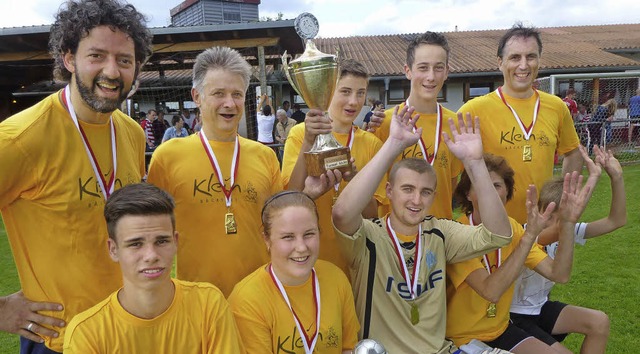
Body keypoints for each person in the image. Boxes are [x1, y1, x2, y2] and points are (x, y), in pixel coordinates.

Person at [0, 0, 152, 352]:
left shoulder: (132, 134)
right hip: (59, 341)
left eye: (124, 60)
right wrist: (2, 310)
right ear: (69, 59)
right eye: (97, 55)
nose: (112, 71)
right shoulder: (21, 139)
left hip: (130, 330)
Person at [332, 106, 514, 353]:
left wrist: (475, 163)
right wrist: (393, 144)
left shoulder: (439, 232)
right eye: (407, 189)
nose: (416, 200)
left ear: (434, 196)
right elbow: (342, 213)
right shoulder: (369, 236)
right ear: (389, 191)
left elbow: (499, 234)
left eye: (425, 192)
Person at [147, 46, 283, 297]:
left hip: (258, 301)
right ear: (197, 96)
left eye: (237, 94)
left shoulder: (265, 156)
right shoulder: (168, 157)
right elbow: (151, 235)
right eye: (218, 93)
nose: (229, 103)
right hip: (196, 303)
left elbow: (278, 226)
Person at [446, 147, 597, 353]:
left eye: (497, 185)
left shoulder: (513, 229)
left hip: (500, 329)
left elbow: (558, 274)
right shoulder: (457, 233)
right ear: (468, 193)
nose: (489, 192)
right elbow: (491, 291)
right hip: (462, 337)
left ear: (507, 192)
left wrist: (568, 224)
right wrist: (527, 239)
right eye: (481, 185)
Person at [63, 183, 244, 353]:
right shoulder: (87, 332)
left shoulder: (208, 305)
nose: (151, 255)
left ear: (176, 242)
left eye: (161, 241)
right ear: (113, 250)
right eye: (135, 244)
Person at [457, 23, 583, 224]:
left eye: (530, 57)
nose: (523, 65)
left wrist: (564, 193)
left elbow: (573, 152)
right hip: (493, 228)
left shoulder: (556, 107)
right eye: (515, 57)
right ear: (500, 62)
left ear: (539, 61)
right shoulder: (473, 111)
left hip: (542, 226)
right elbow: (448, 170)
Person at [510, 145, 624, 354]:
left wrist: (615, 177)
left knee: (599, 322)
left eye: (559, 217)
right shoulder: (525, 237)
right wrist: (593, 178)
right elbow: (559, 274)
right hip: (513, 317)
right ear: (537, 209)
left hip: (540, 309)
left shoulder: (568, 230)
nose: (551, 222)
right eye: (549, 214)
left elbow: (616, 220)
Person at [282, 58, 387, 274]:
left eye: (360, 93)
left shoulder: (371, 144)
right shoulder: (300, 135)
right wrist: (309, 143)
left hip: (356, 261)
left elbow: (373, 217)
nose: (354, 101)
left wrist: (357, 182)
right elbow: (288, 199)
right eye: (345, 91)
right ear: (329, 91)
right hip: (311, 258)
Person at [228, 191, 359, 353]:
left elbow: (348, 347)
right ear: (267, 240)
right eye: (288, 237)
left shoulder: (336, 278)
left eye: (309, 234)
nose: (301, 247)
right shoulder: (247, 299)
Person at [373, 31, 463, 220]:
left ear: (447, 71)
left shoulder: (454, 125)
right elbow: (374, 191)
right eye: (423, 68)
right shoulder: (386, 124)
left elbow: (451, 183)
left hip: (440, 236)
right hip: (394, 241)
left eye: (438, 68)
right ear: (408, 70)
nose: (431, 77)